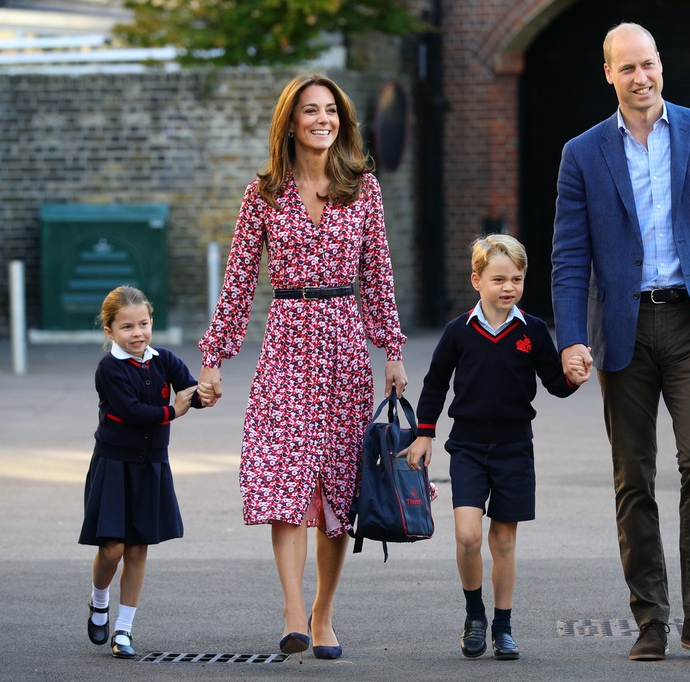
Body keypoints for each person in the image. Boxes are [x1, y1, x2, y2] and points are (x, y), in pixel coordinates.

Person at [551, 22, 690, 662]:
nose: (640, 78)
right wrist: (570, 340)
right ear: (609, 75)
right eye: (627, 69)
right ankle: (650, 618)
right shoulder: (582, 153)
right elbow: (569, 258)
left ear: (660, 66)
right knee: (633, 477)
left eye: (648, 65)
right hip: (621, 329)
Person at [197, 74, 408, 661]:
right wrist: (213, 360)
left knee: (337, 491)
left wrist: (392, 350)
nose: (323, 119)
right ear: (289, 121)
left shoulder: (363, 189)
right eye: (310, 111)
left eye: (332, 110)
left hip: (343, 347)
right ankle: (293, 609)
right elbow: (238, 284)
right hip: (287, 343)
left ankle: (323, 613)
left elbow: (378, 276)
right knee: (284, 478)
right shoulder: (261, 194)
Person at [407, 234, 589, 661]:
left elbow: (554, 383)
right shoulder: (458, 331)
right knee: (468, 535)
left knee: (503, 542)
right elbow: (435, 384)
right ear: (477, 280)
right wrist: (424, 433)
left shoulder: (534, 330)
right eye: (499, 279)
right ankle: (475, 616)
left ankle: (503, 627)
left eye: (517, 279)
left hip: (514, 449)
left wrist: (573, 380)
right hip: (468, 447)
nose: (509, 288)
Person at [79, 285, 207, 659]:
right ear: (109, 331)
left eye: (144, 324)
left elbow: (190, 392)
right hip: (114, 465)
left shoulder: (163, 359)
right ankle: (99, 600)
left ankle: (123, 631)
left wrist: (205, 393)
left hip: (152, 465)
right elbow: (132, 412)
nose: (138, 334)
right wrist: (174, 411)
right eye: (127, 327)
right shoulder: (108, 369)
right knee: (112, 548)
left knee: (137, 549)